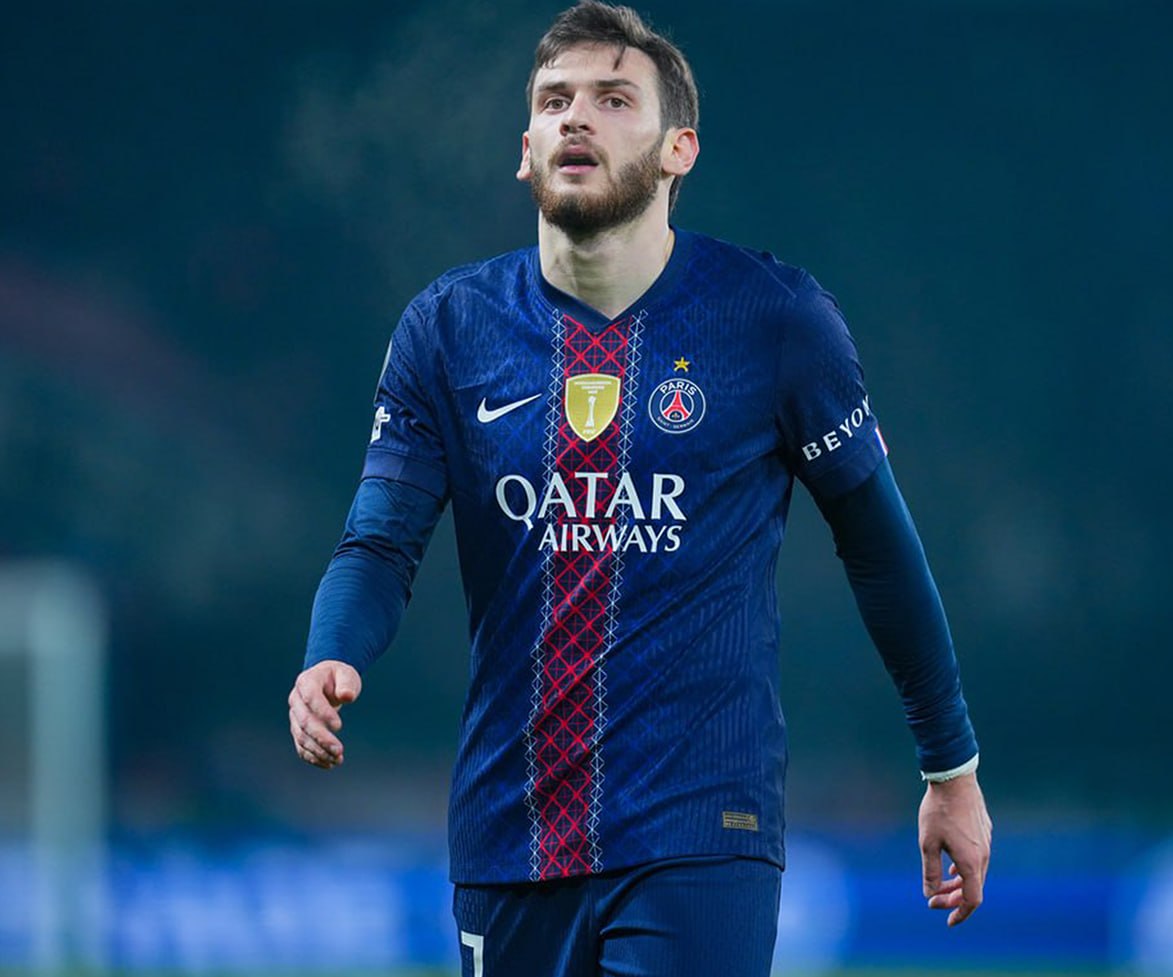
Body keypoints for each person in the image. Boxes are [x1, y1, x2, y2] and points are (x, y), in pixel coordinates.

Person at [287, 2, 992, 974]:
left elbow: (878, 544)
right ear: (525, 151)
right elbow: (378, 541)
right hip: (508, 830)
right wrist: (330, 652)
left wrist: (949, 764)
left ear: (677, 150)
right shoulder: (447, 329)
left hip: (701, 826)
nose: (577, 116)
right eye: (554, 101)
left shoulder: (772, 319)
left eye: (614, 99)